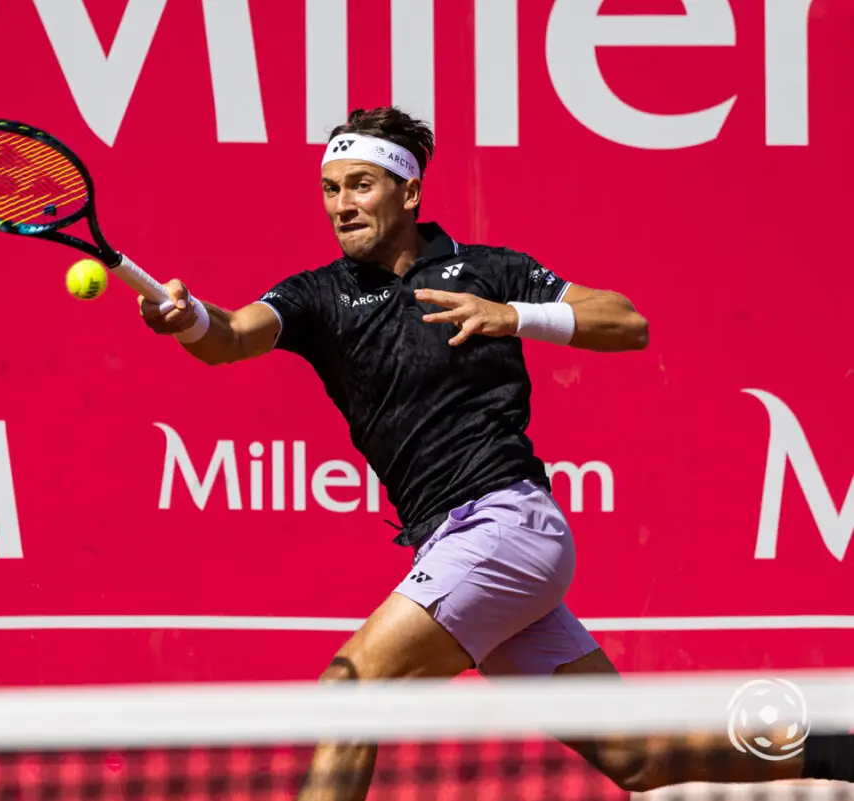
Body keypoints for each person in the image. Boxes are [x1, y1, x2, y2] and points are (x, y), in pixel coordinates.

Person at [138, 107, 852, 799]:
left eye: (361, 185)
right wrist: (187, 317)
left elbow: (626, 323)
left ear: (409, 190)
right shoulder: (320, 295)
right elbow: (228, 336)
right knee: (636, 756)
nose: (341, 205)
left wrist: (515, 315)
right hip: (461, 544)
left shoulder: (487, 270)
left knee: (348, 690)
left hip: (504, 525)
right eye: (330, 189)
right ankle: (838, 749)